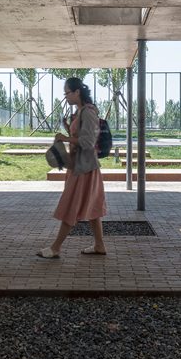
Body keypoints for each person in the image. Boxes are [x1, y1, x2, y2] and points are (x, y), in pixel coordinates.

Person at [37, 77, 107, 258]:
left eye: (67, 92)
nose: (66, 96)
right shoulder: (80, 112)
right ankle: (99, 245)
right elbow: (81, 136)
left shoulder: (88, 112)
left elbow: (88, 142)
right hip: (81, 166)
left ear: (77, 92)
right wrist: (69, 129)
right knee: (93, 208)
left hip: (84, 168)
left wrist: (65, 138)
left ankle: (55, 248)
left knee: (71, 205)